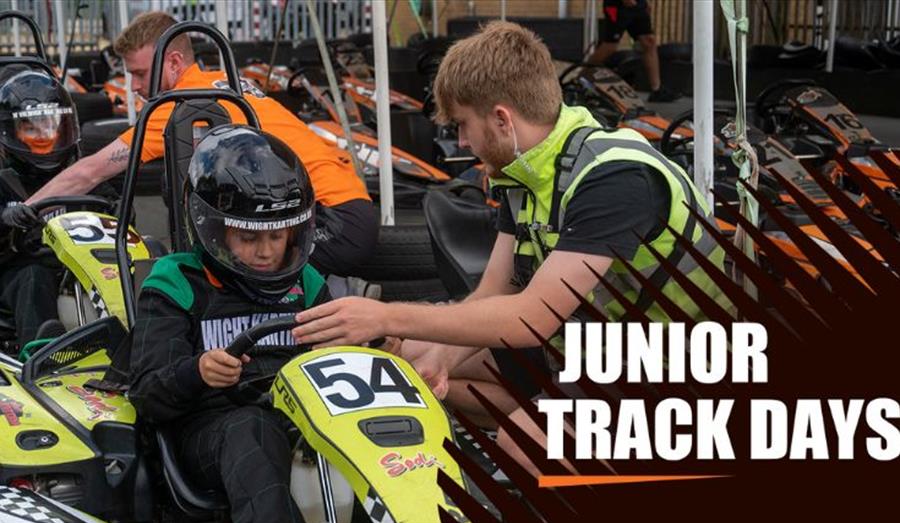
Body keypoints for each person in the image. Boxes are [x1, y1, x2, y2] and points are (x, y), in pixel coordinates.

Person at [290, 21, 732, 476]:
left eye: (463, 124)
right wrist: (438, 355)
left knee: (523, 442)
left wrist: (385, 315)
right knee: (415, 360)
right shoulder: (524, 172)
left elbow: (532, 319)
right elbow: (493, 297)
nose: (461, 142)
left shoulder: (615, 177)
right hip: (598, 350)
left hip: (680, 365)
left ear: (501, 119)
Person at [13, 11, 376, 278]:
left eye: (140, 73)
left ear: (173, 63)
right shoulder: (221, 82)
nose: (136, 86)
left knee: (210, 271)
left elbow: (89, 172)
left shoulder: (182, 106)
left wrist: (23, 210)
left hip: (332, 220)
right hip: (346, 210)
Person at [129, 125, 327, 523]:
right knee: (252, 429)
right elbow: (147, 393)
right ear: (214, 228)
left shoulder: (308, 284)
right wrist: (197, 371)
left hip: (298, 420)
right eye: (247, 237)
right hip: (210, 428)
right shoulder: (176, 283)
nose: (266, 252)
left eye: (276, 235)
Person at [0, 65, 99, 349]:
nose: (43, 135)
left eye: (50, 124)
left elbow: (115, 208)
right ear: (10, 130)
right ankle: (40, 353)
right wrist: (5, 218)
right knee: (34, 277)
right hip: (18, 273)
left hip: (80, 270)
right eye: (31, 126)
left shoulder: (81, 175)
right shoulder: (3, 180)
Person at [586, 0, 680, 102]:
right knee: (610, 46)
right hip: (617, 6)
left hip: (638, 5)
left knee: (649, 42)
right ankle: (581, 77)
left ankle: (657, 90)